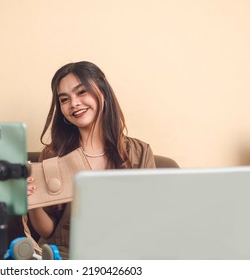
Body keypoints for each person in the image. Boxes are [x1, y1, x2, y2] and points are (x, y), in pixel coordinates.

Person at [26, 61, 156, 259]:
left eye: (81, 92)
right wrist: (31, 201)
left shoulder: (140, 153)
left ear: (103, 92)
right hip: (64, 257)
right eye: (64, 99)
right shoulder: (53, 154)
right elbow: (48, 231)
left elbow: (150, 221)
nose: (74, 103)